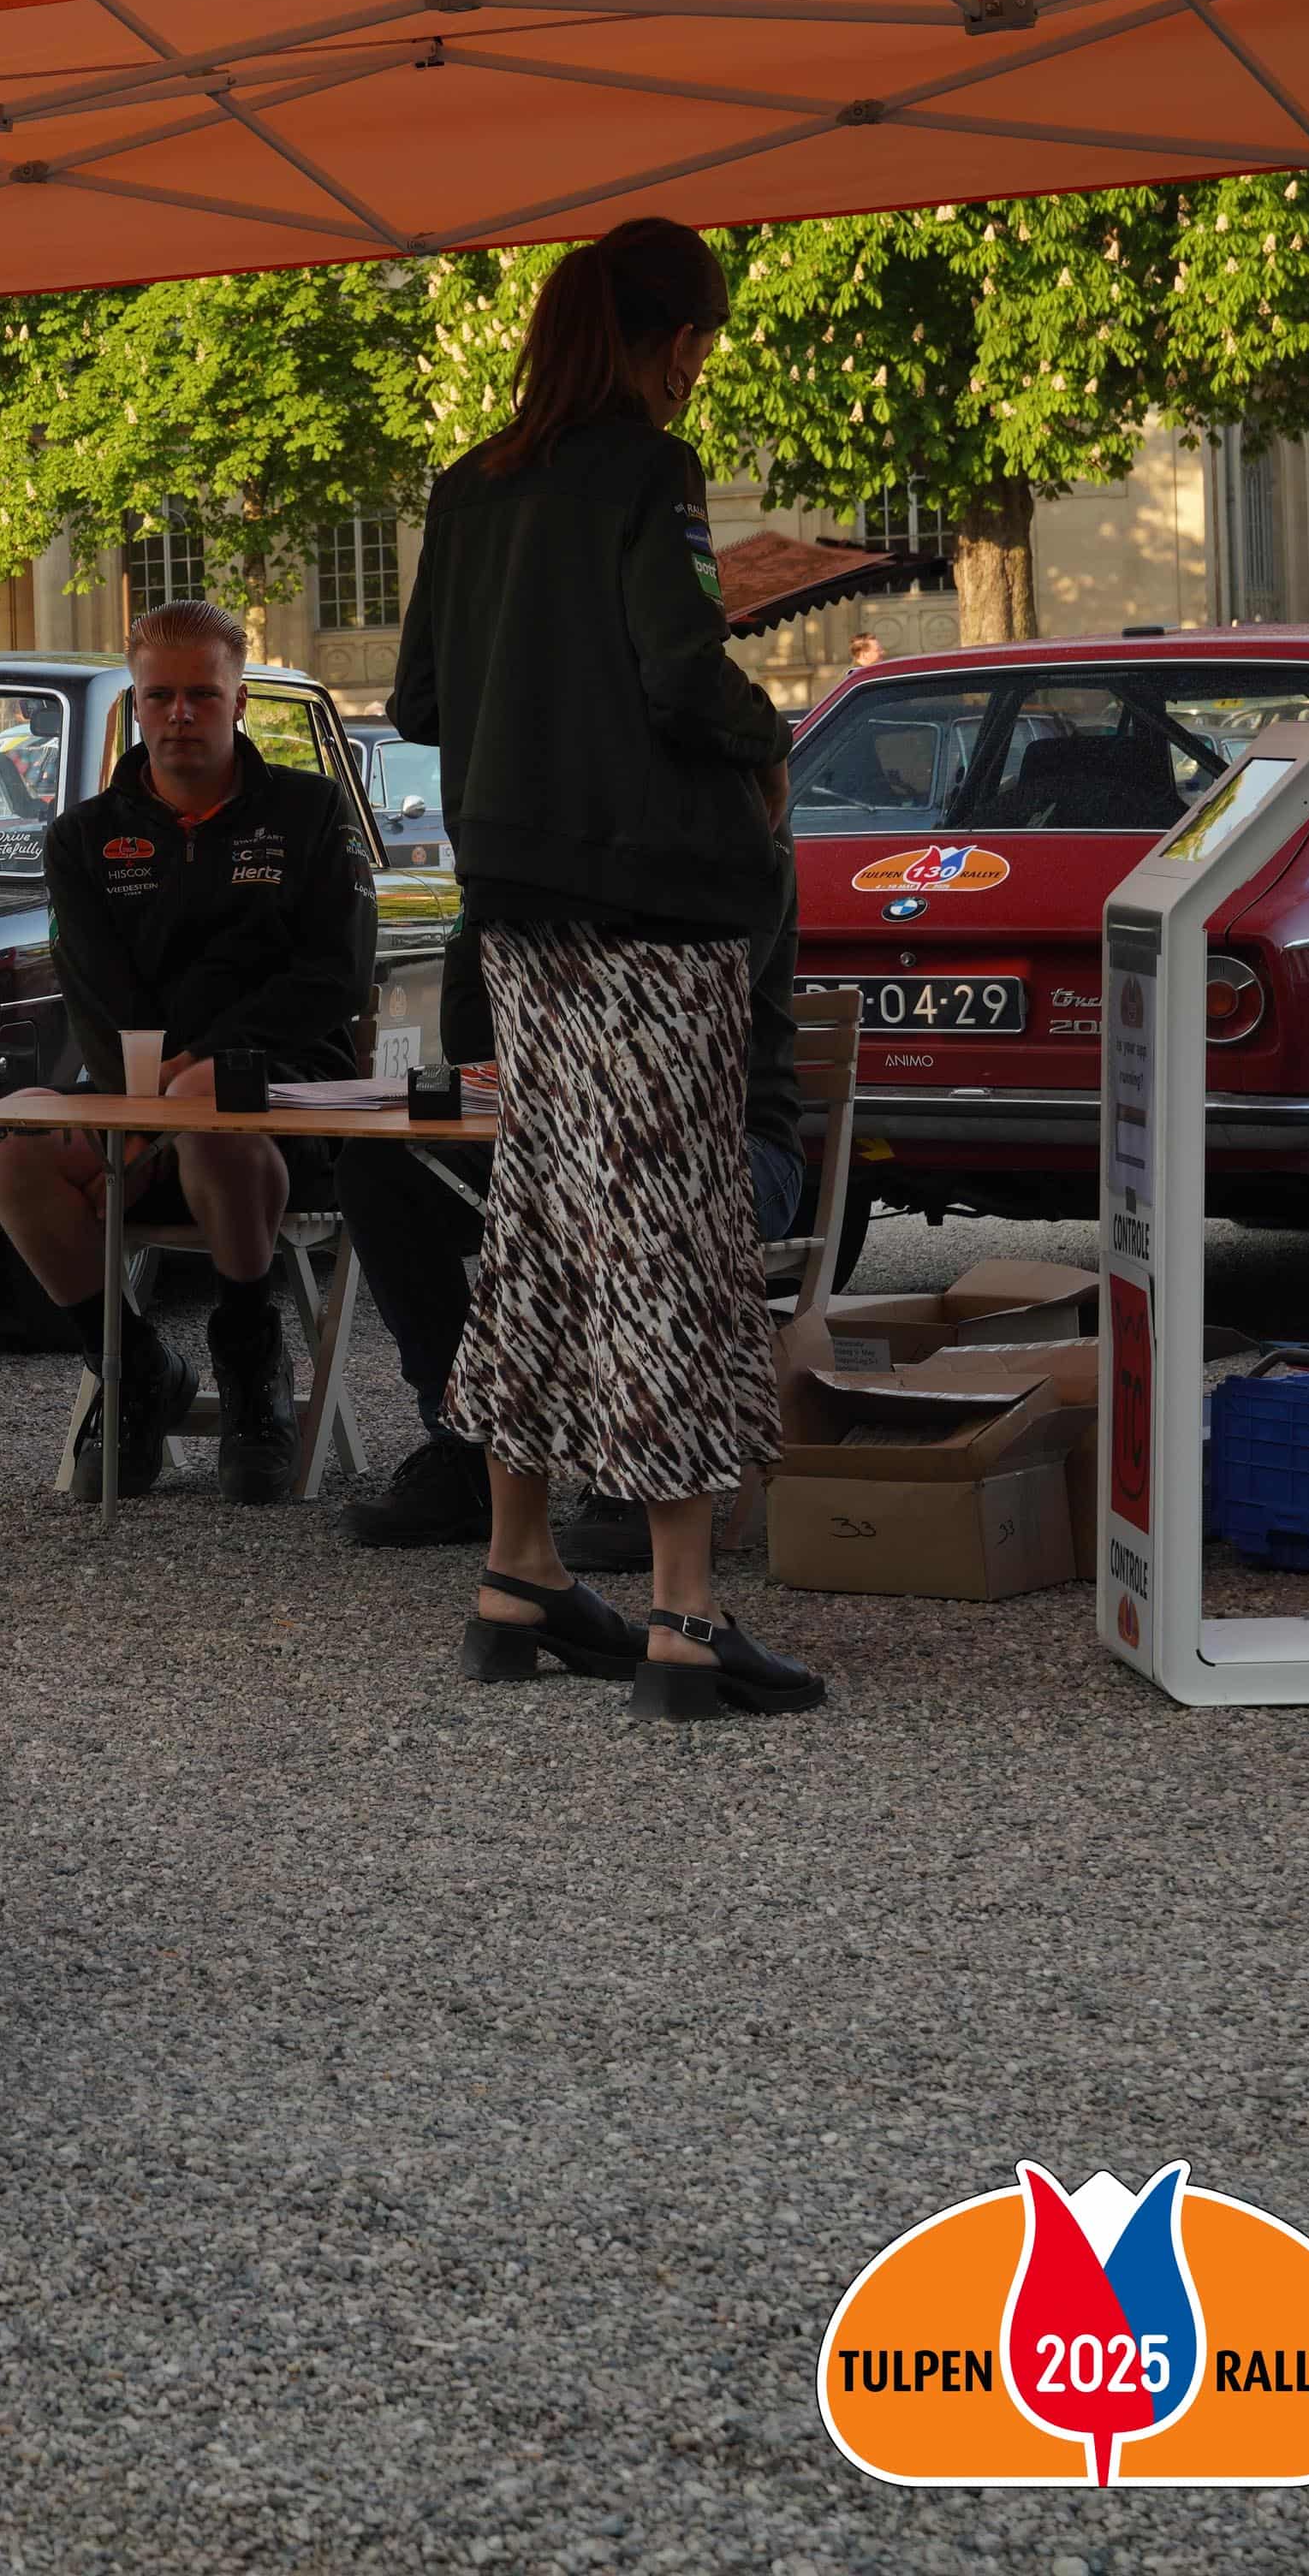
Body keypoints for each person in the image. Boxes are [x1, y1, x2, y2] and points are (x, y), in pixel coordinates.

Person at [391, 216, 820, 1719]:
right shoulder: (651, 472)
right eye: (700, 345)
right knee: (669, 1237)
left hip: (516, 909)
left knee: (545, 1222)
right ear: (673, 340)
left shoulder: (470, 484)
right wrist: (767, 736)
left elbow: (421, 698)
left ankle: (518, 1573)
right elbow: (679, 671)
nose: (698, 371)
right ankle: (685, 1615)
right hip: (655, 912)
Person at [0, 602, 372, 1504]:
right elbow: (97, 1000)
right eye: (160, 696)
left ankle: (249, 1353)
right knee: (5, 1146)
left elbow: (335, 978)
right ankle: (131, 1365)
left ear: (240, 700)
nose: (181, 714)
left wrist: (210, 1062)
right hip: (137, 1102)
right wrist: (150, 1103)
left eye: (203, 694)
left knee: (212, 1113)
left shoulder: (312, 812)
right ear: (137, 703)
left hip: (289, 1106)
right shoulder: (82, 837)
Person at [342, 825, 818, 1558]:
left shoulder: (736, 832)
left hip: (731, 1147)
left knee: (627, 1175)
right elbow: (470, 1024)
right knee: (380, 1168)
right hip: (558, 1139)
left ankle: (639, 1462)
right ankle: (465, 1443)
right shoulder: (537, 840)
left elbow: (678, 1020)